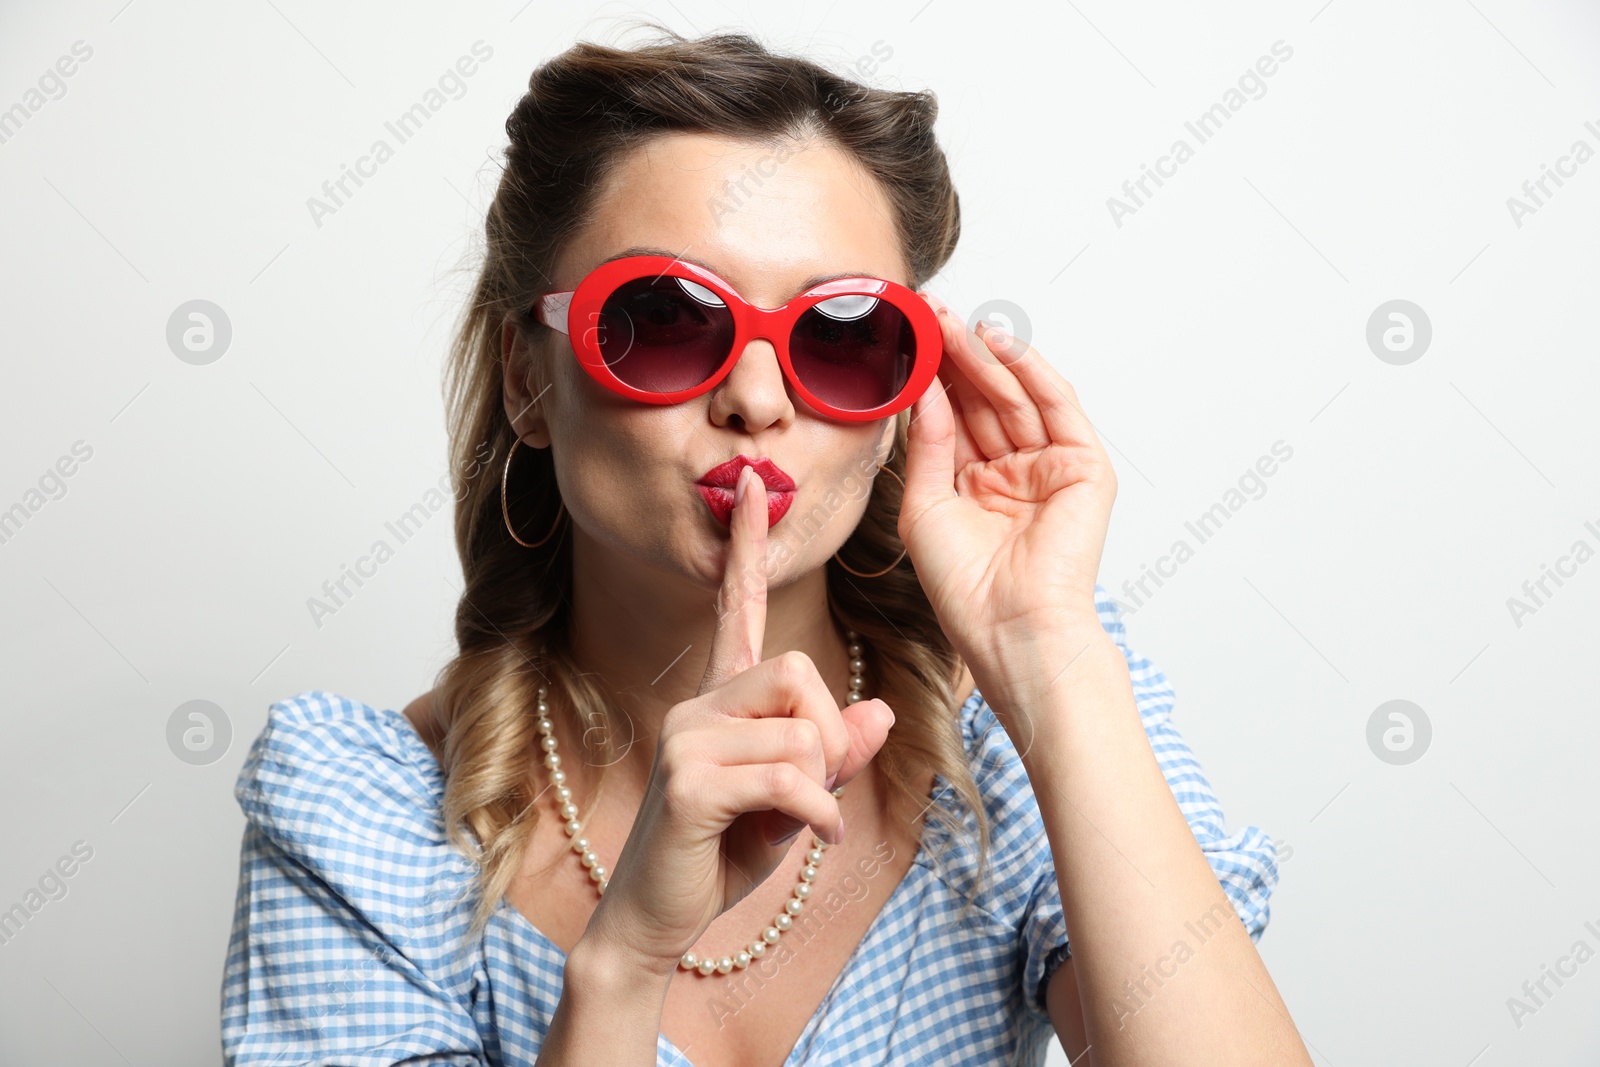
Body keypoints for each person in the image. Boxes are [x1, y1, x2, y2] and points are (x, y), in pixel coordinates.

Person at [220, 26, 1311, 1067]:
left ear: (897, 400)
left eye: (841, 336)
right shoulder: (357, 818)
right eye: (665, 319)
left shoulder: (1003, 734)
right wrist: (624, 958)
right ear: (526, 378)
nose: (754, 396)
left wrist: (1044, 652)